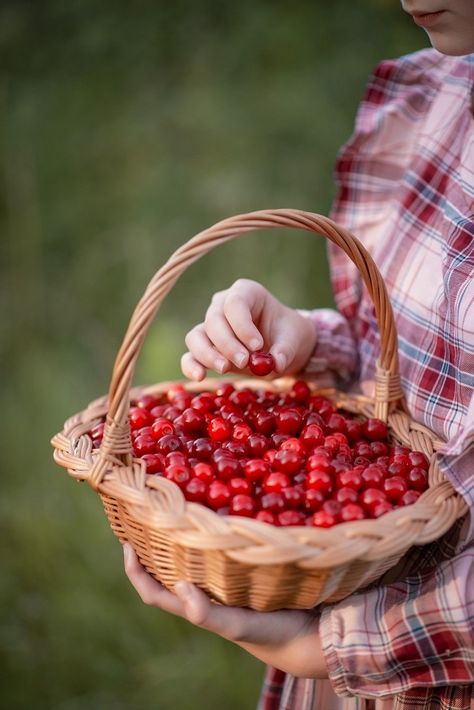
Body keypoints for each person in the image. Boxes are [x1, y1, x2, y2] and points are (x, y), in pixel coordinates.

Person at [123, 2, 474, 708]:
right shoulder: (443, 92)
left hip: (418, 652)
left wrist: (321, 648)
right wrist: (315, 341)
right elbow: (427, 362)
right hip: (348, 565)